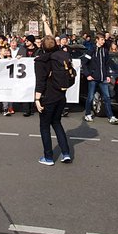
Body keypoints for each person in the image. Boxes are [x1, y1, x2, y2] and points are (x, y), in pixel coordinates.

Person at [33, 35, 73, 165]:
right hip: (61, 95)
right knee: (57, 122)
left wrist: (37, 99)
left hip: (48, 97)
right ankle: (66, 153)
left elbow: (40, 82)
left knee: (44, 126)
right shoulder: (61, 55)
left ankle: (48, 157)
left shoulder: (41, 61)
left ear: (42, 46)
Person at [84, 34, 118, 124]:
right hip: (93, 78)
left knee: (107, 97)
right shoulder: (91, 50)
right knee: (90, 96)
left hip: (103, 78)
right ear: (97, 40)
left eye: (104, 40)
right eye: (102, 39)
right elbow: (84, 63)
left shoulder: (105, 51)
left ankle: (110, 116)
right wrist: (88, 74)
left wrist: (108, 75)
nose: (103, 41)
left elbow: (107, 64)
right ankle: (87, 114)